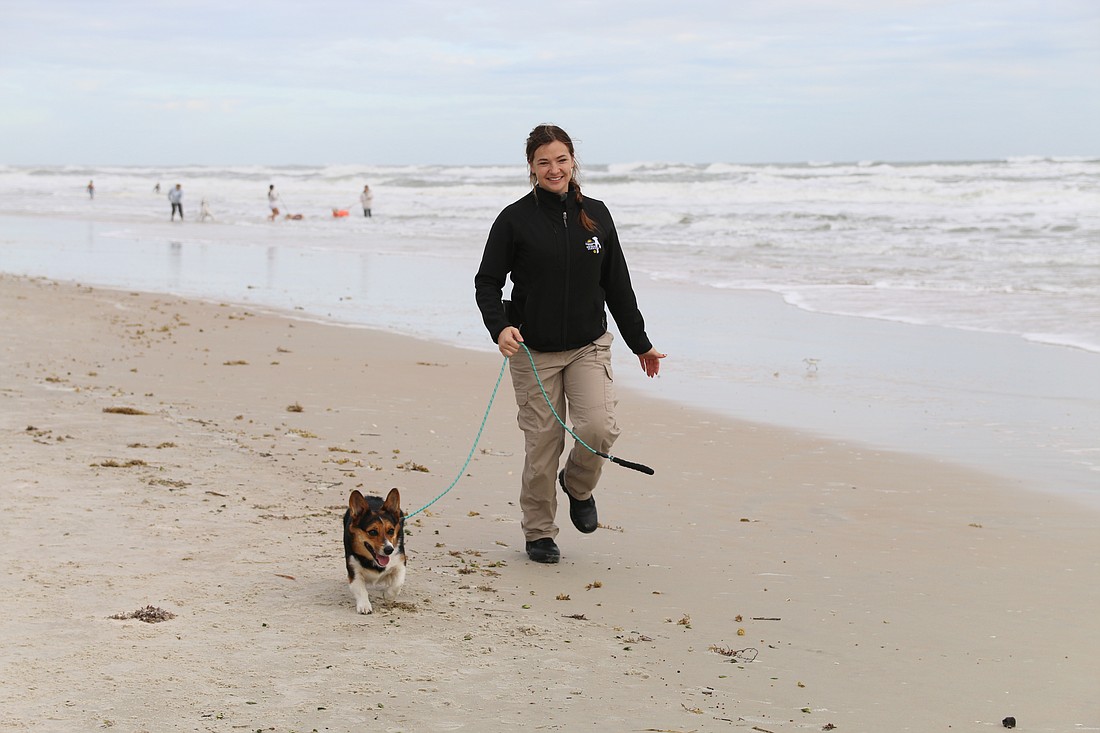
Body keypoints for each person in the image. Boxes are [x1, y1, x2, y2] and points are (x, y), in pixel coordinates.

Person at [474, 124, 666, 564]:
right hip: (532, 352)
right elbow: (487, 282)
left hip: (587, 346)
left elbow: (617, 285)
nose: (553, 169)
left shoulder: (596, 214)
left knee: (599, 428)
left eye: (561, 160)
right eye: (544, 162)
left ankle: (578, 485)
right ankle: (540, 532)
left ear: (573, 161)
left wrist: (642, 343)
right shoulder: (514, 219)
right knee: (543, 446)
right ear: (532, 167)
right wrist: (500, 326)